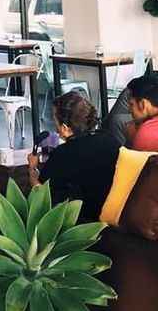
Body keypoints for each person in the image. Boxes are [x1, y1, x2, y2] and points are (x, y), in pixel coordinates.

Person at [28, 92, 120, 220]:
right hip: (115, 208)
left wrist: (32, 169)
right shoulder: (111, 140)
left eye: (56, 123)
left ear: (65, 127)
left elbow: (42, 192)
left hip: (82, 218)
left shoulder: (64, 153)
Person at [123, 74, 158, 151]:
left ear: (143, 104)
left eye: (131, 104)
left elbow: (131, 162)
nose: (129, 110)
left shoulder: (147, 133)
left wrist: (131, 141)